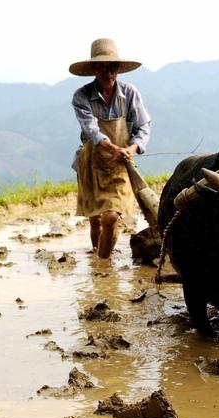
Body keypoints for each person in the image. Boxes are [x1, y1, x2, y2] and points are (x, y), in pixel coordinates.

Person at [69, 38, 151, 259]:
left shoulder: (130, 93)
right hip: (92, 164)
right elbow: (92, 130)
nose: (108, 73)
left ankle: (103, 265)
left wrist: (132, 148)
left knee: (111, 217)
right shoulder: (82, 96)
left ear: (118, 69)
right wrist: (113, 147)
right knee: (95, 219)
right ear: (94, 68)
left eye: (112, 67)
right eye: (102, 67)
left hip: (121, 164)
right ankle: (97, 257)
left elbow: (143, 126)